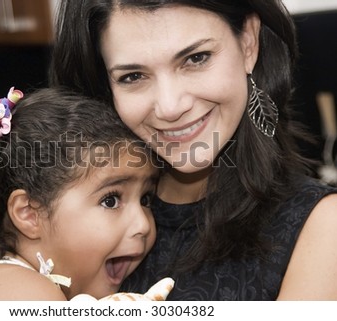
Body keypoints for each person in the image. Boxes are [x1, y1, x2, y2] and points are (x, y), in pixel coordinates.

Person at [49, 0, 337, 300]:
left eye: (196, 58)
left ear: (248, 43)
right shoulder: (67, 209)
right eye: (132, 77)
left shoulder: (322, 227)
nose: (171, 107)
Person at [0, 86, 166, 301]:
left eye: (146, 199)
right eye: (111, 200)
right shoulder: (22, 293)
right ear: (29, 214)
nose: (143, 224)